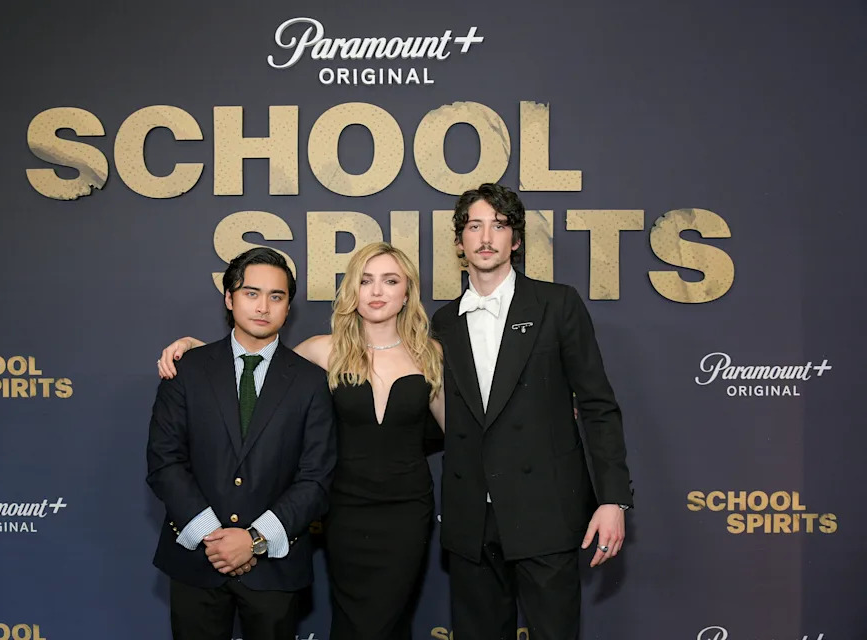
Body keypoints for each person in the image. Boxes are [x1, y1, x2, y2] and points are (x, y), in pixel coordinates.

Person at [156, 242, 445, 640]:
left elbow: (459, 432)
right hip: (346, 511)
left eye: (390, 281)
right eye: (365, 281)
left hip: (406, 512)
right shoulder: (323, 352)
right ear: (351, 291)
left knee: (391, 621)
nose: (377, 291)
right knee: (353, 621)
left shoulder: (432, 355)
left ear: (407, 290)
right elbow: (256, 371)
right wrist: (195, 349)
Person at [431, 183, 633, 640]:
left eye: (498, 226)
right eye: (474, 226)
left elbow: (598, 407)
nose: (486, 237)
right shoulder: (442, 323)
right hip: (471, 524)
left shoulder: (557, 305)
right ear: (460, 241)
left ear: (515, 240)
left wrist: (612, 499)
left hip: (547, 515)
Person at [146, 247, 337, 640]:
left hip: (274, 568)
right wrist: (214, 537)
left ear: (288, 308)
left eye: (276, 296)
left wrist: (252, 541)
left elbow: (316, 478)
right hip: (197, 559)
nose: (263, 306)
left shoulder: (311, 381)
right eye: (251, 293)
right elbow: (165, 462)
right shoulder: (187, 370)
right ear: (229, 299)